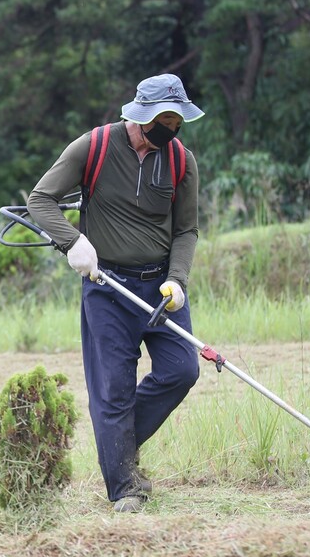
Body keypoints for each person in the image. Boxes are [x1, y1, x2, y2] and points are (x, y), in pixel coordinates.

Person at [26, 74, 204, 513]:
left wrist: (178, 280)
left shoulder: (181, 160)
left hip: (160, 288)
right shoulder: (95, 146)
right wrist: (73, 243)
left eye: (177, 122)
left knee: (183, 370)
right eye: (164, 120)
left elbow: (186, 230)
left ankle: (116, 445)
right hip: (106, 287)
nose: (171, 129)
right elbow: (40, 200)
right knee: (113, 390)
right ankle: (125, 487)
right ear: (141, 116)